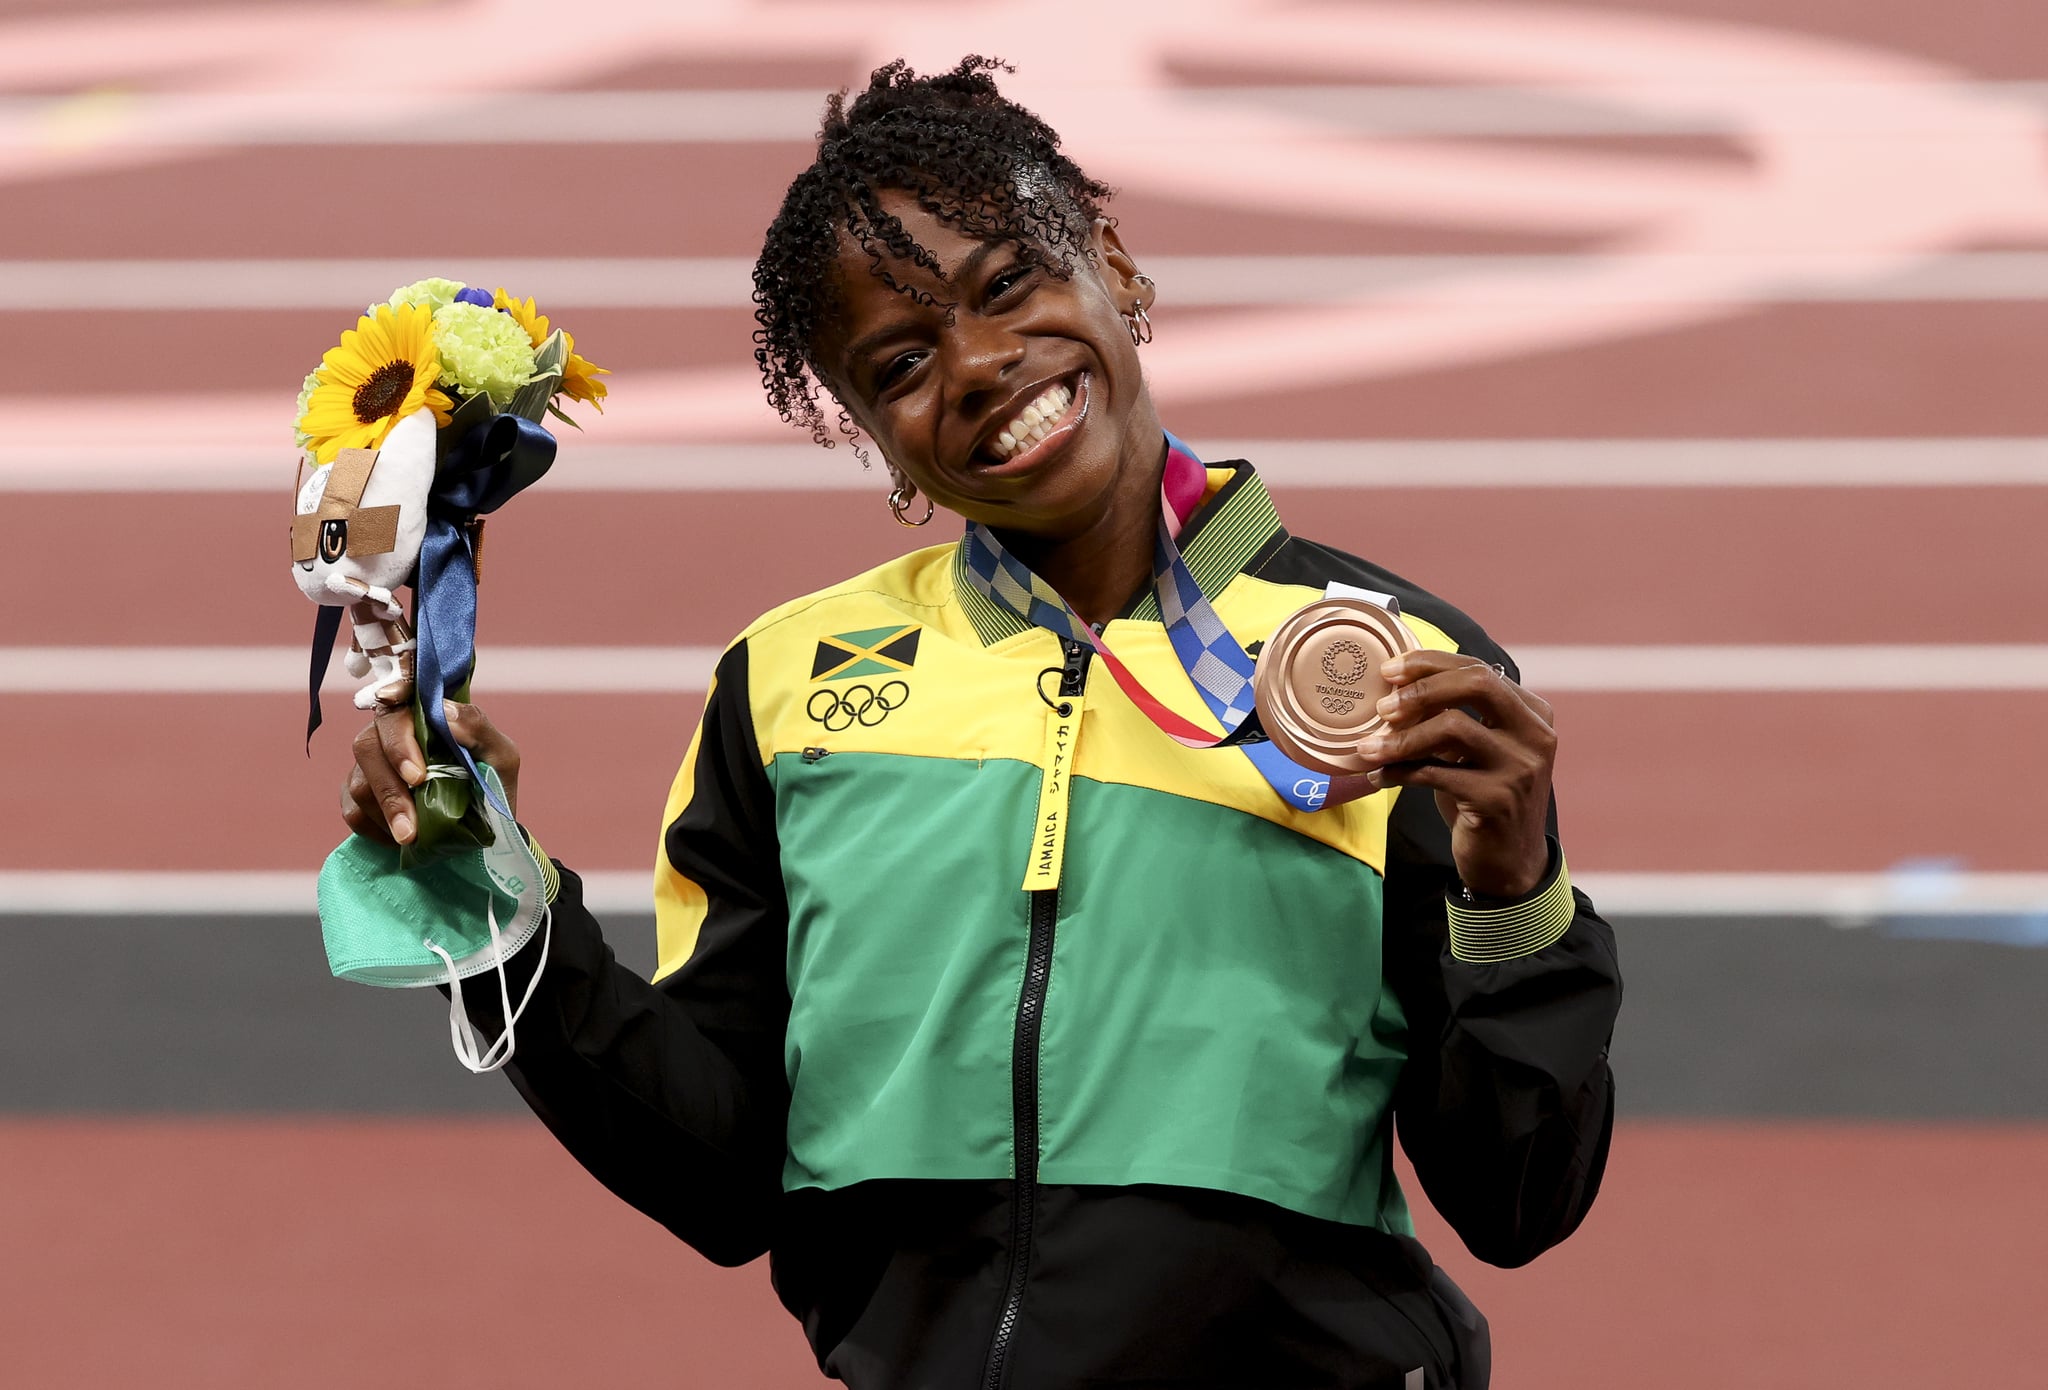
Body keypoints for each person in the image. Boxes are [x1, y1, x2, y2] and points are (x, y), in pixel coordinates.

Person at [341, 57, 1621, 1390]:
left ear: (1113, 264)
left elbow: (1519, 1198)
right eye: (901, 362)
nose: (981, 362)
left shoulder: (1392, 664)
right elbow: (720, 1170)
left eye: (1011, 283)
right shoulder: (785, 692)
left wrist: (1514, 890)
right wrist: (498, 902)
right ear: (878, 443)